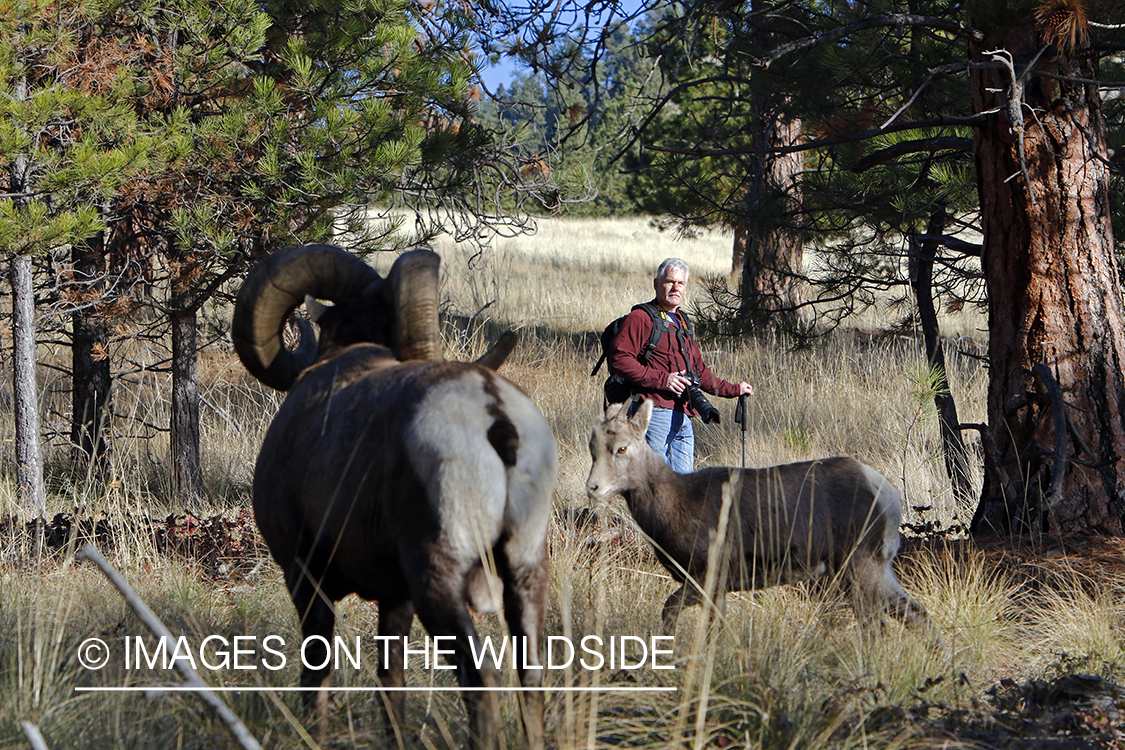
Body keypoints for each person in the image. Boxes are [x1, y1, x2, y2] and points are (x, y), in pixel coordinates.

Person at [608, 257, 754, 473]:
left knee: (684, 489)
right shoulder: (641, 318)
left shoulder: (683, 322)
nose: (675, 287)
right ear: (656, 284)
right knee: (658, 487)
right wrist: (664, 380)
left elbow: (700, 372)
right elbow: (619, 360)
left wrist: (734, 389)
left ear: (685, 288)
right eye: (669, 281)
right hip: (652, 414)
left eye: (680, 283)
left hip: (683, 414)